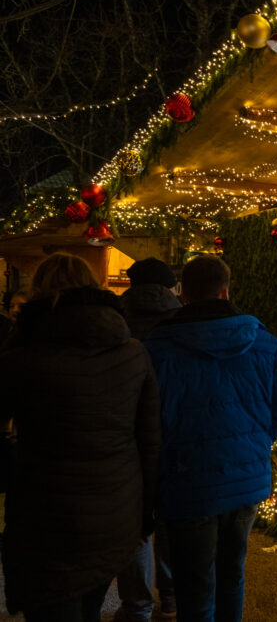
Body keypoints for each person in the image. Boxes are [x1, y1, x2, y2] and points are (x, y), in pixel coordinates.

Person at [0, 253, 160, 621]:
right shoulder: (133, 352)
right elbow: (150, 439)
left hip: (46, 510)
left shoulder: (23, 354)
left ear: (39, 291)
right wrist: (146, 511)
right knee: (89, 602)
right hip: (116, 505)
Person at [144, 255, 277, 622]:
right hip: (246, 476)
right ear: (226, 291)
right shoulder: (264, 342)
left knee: (194, 585)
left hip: (186, 478)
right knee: (232, 573)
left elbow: (149, 419)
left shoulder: (158, 348)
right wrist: (254, 445)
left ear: (182, 293)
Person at [116, 258, 182, 621]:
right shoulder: (182, 321)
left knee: (135, 521)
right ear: (171, 287)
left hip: (127, 433)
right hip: (173, 430)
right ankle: (170, 596)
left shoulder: (119, 322)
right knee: (170, 515)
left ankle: (136, 603)